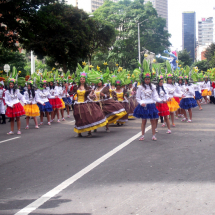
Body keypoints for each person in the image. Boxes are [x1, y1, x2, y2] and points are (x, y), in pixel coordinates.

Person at [133, 60, 162, 141]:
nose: (147, 81)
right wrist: (141, 102)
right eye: (146, 79)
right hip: (144, 105)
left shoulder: (153, 87)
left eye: (148, 79)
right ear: (143, 80)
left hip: (151, 105)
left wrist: (160, 100)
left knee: (153, 121)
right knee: (144, 121)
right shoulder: (140, 87)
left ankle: (153, 135)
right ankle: (142, 135)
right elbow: (138, 97)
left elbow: (155, 96)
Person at [73, 72, 107, 137]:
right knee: (78, 118)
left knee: (87, 117)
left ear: (85, 80)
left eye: (83, 79)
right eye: (81, 79)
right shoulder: (76, 87)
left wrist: (92, 96)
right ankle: (79, 132)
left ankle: (89, 132)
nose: (82, 80)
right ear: (79, 80)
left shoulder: (88, 87)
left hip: (85, 104)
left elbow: (90, 96)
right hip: (77, 104)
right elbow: (74, 94)